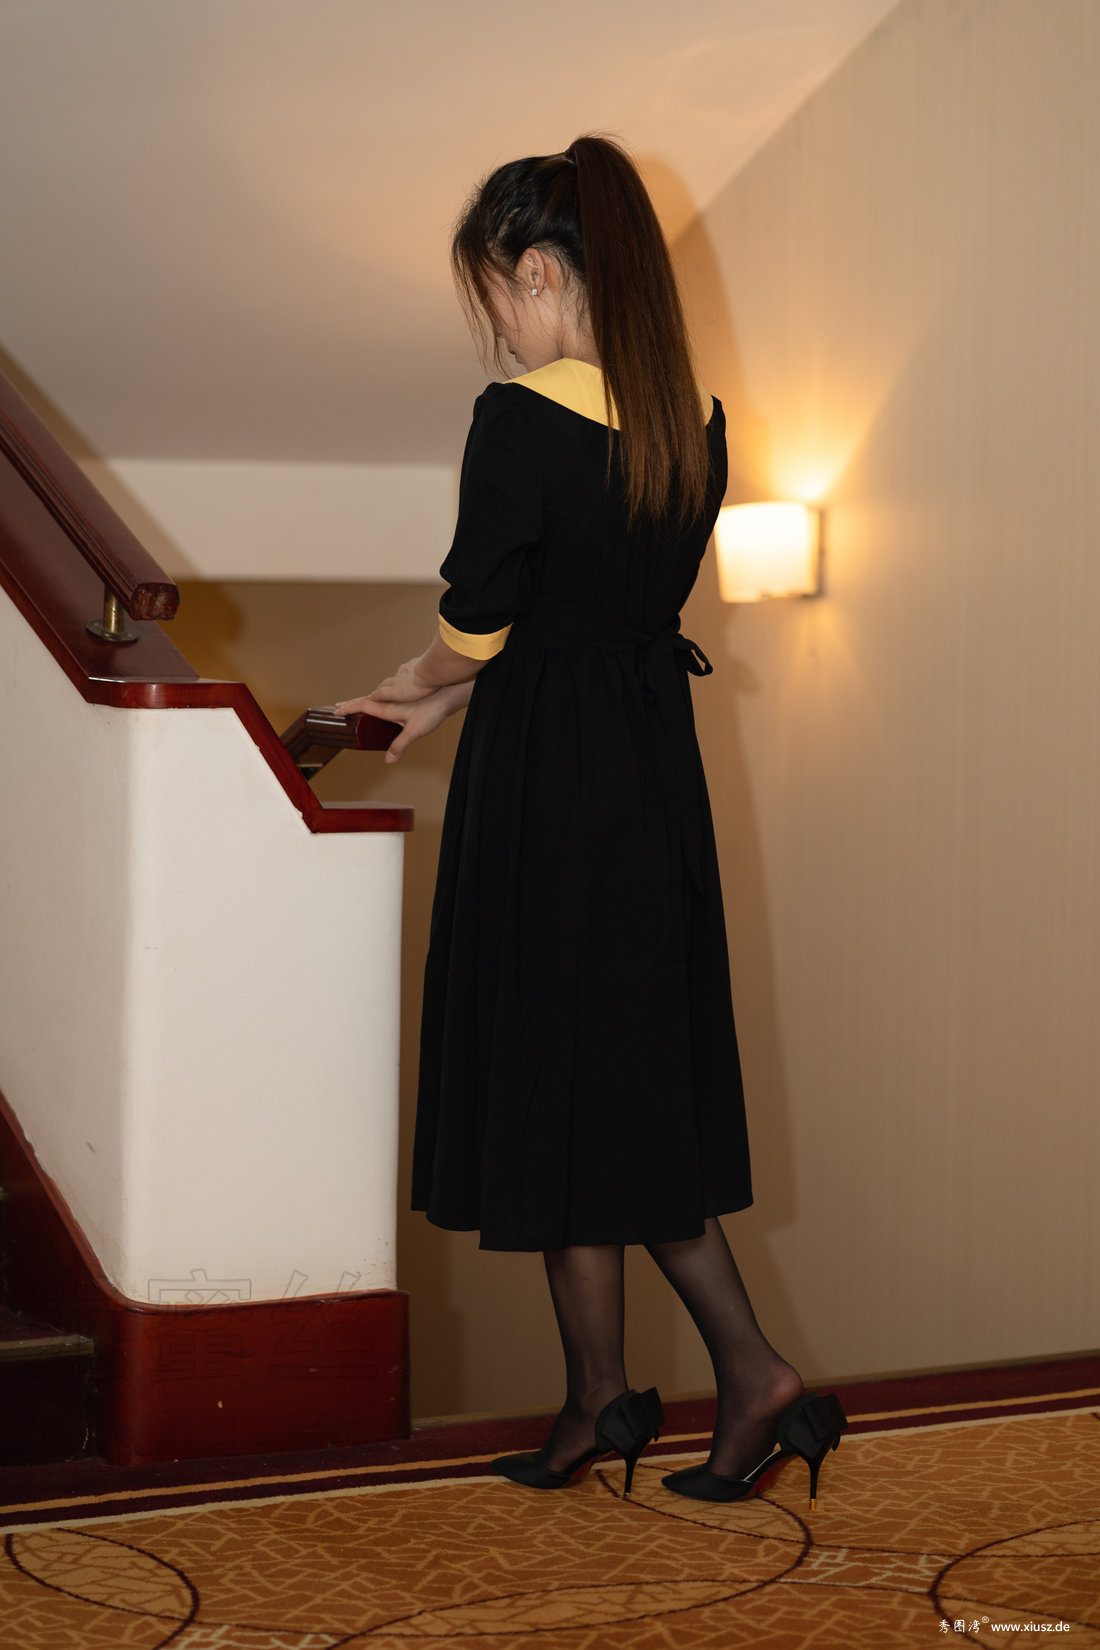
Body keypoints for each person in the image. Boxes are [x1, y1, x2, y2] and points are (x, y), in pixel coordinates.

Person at [336, 135, 846, 1505]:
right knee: (612, 1073)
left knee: (571, 1069)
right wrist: (446, 700)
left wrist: (421, 680)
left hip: (548, 784)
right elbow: (591, 615)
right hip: (644, 765)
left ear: (540, 273)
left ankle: (744, 1370)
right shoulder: (693, 423)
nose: (496, 327)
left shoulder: (520, 418)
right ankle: (600, 1397)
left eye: (494, 295)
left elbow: (482, 618)